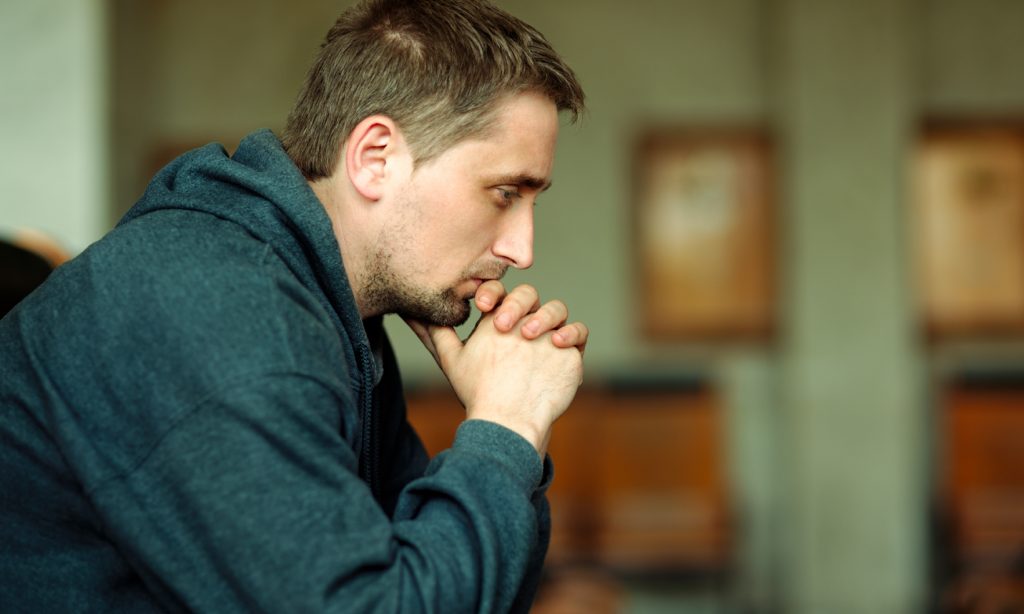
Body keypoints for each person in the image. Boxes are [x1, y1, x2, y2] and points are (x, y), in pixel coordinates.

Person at [0, 0, 587, 612]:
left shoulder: (332, 308)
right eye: (503, 193)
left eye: (531, 202)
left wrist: (513, 440)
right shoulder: (223, 315)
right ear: (375, 157)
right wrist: (506, 427)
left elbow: (456, 587)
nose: (521, 249)